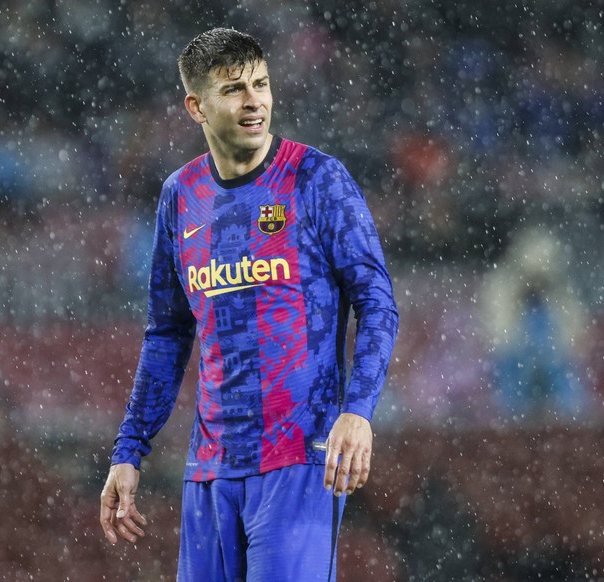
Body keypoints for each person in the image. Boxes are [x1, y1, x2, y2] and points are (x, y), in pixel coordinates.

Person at [99, 28, 398, 581]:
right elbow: (166, 333)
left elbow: (377, 301)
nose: (255, 100)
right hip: (209, 469)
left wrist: (357, 411)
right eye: (234, 89)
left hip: (301, 456)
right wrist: (129, 449)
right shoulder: (180, 195)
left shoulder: (317, 179)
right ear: (196, 107)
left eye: (261, 84)